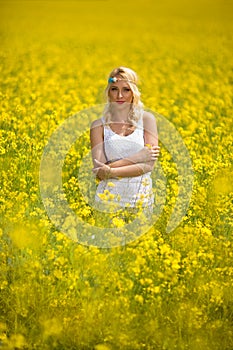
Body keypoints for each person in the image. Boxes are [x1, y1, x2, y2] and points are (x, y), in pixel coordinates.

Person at [90, 66, 160, 215]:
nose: (119, 95)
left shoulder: (147, 120)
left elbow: (148, 166)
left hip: (141, 203)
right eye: (114, 89)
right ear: (108, 92)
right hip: (107, 204)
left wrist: (110, 170)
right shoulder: (98, 126)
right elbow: (99, 173)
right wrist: (137, 157)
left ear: (133, 93)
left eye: (126, 90)